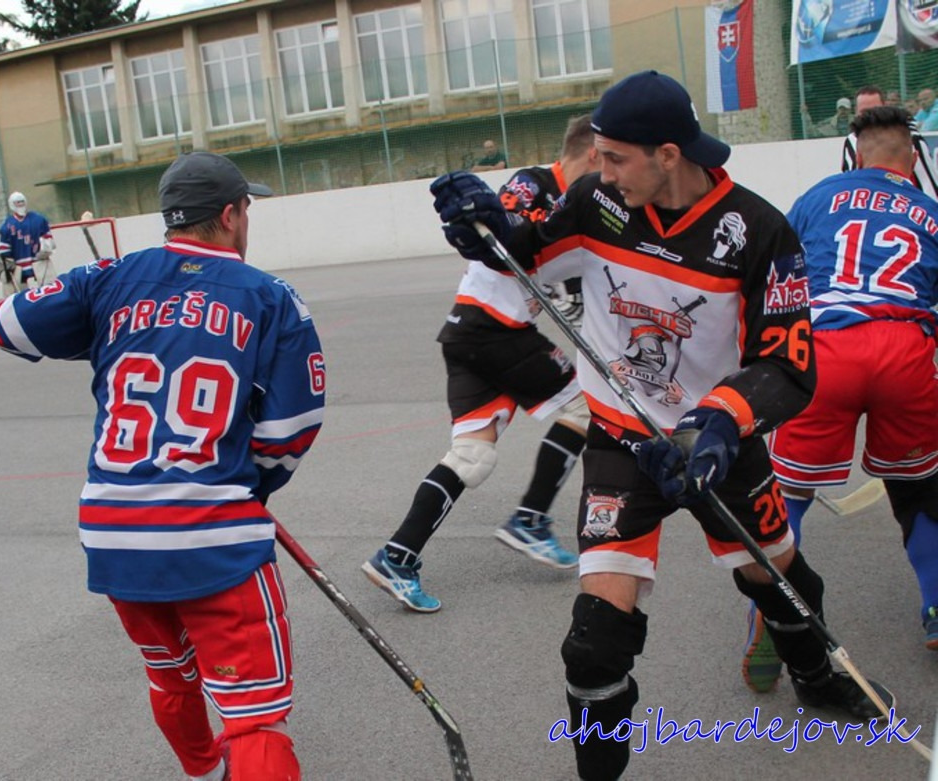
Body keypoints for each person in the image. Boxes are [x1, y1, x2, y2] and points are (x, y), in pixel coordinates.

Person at [430, 71, 893, 779]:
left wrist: (716, 425)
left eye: (616, 157)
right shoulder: (598, 202)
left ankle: (817, 676)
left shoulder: (758, 231)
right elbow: (522, 257)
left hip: (717, 444)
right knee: (593, 645)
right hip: (624, 441)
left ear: (668, 154)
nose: (602, 170)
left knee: (776, 575)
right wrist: (482, 228)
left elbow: (788, 363)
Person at [0, 151, 324, 781]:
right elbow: (289, 434)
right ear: (231, 215)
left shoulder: (108, 279)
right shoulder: (271, 297)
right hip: (214, 535)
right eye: (247, 209)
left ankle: (204, 770)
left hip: (113, 532)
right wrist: (248, 487)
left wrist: (106, 323)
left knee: (170, 673)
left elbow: (3, 325)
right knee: (254, 719)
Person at [361, 114, 600, 613]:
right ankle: (530, 519)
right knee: (584, 407)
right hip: (496, 330)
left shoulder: (581, 205)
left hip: (469, 333)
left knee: (472, 456)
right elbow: (500, 229)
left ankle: (397, 555)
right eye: (609, 163)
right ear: (593, 154)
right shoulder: (534, 183)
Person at [766, 106, 938, 658]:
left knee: (788, 491)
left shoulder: (819, 196)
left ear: (856, 153)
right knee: (919, 489)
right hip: (904, 350)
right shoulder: (929, 210)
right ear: (912, 156)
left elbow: (777, 272)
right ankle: (936, 606)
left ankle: (773, 608)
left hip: (827, 349)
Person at [0, 191, 54, 291]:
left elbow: (5, 253)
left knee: (19, 297)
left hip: (24, 267)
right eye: (18, 202)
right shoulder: (39, 219)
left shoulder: (6, 225)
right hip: (33, 265)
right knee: (48, 292)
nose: (20, 204)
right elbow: (49, 244)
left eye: (21, 202)